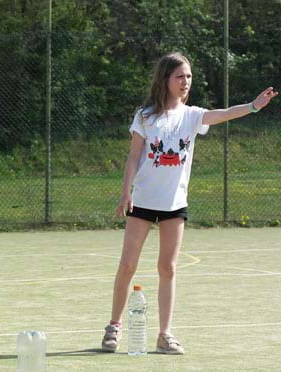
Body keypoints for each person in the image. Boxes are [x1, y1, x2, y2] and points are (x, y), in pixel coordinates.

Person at [102, 52, 278, 355]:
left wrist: (252, 106)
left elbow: (222, 113)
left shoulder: (193, 115)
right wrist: (125, 192)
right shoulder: (145, 115)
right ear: (165, 80)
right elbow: (133, 157)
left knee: (168, 268)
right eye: (180, 76)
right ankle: (113, 327)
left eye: (189, 77)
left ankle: (164, 334)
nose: (186, 82)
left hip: (174, 205)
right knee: (128, 265)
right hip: (143, 201)